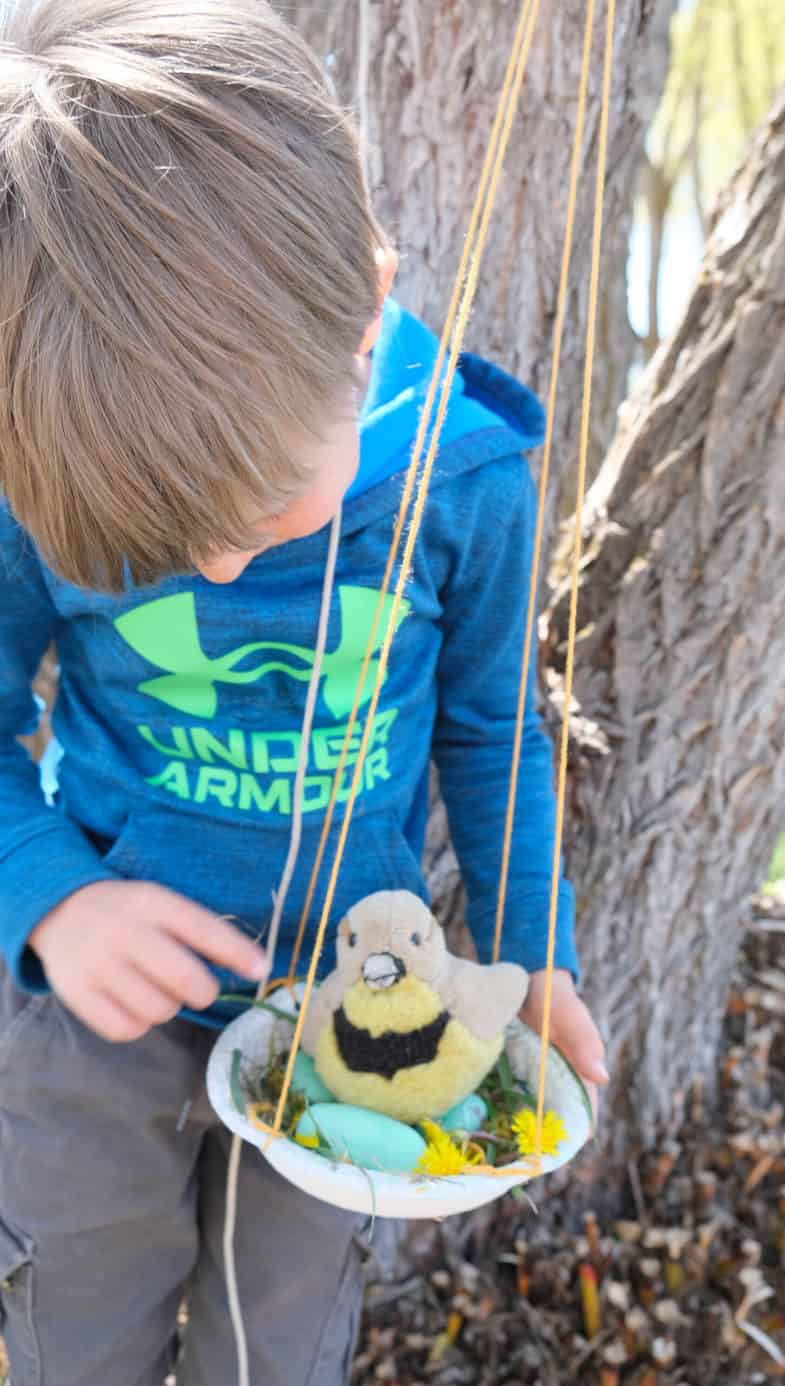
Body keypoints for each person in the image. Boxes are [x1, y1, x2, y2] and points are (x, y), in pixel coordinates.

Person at [0, 2, 609, 1383]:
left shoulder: (464, 481)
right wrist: (52, 893)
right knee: (72, 1326)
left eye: (266, 507)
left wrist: (537, 952)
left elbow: (491, 725)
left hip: (357, 1020)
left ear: (371, 308)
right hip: (94, 1025)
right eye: (160, 544)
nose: (216, 560)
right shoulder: (45, 446)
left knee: (277, 1345)